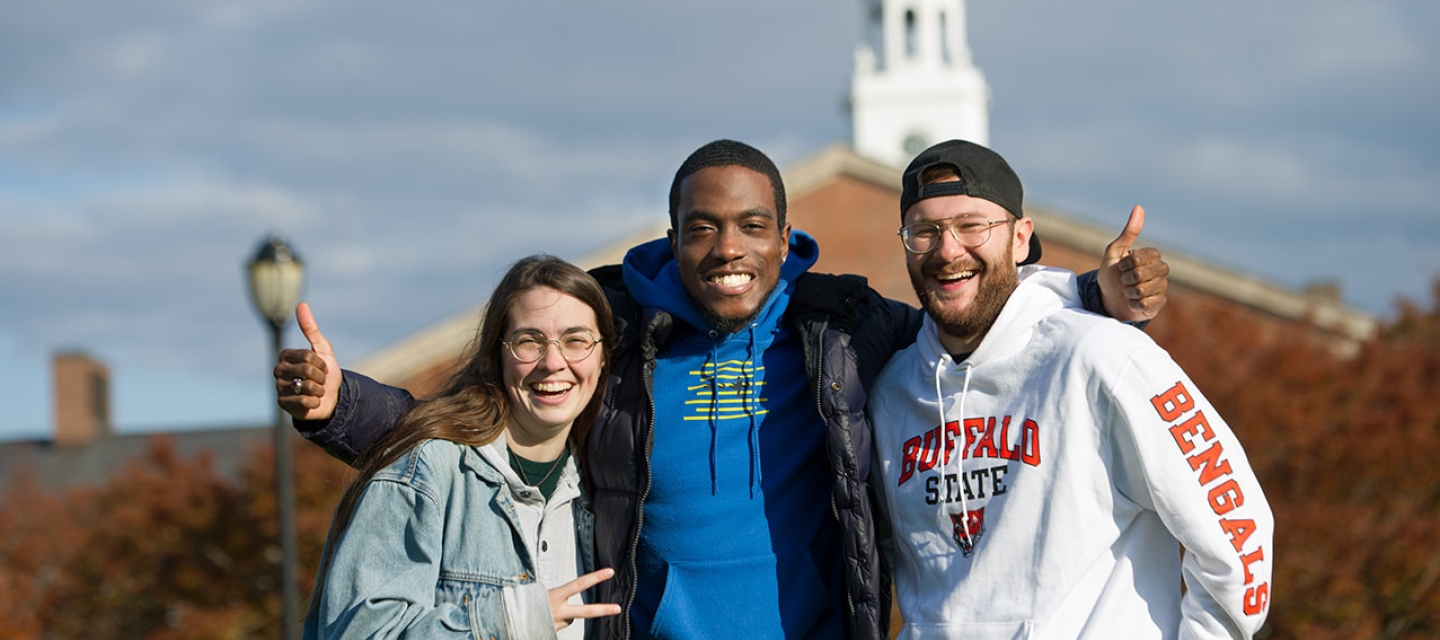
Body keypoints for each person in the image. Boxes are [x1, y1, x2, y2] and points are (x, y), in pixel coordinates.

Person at [277, 140, 1171, 640]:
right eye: (701, 227)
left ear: (786, 238)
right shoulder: (615, 326)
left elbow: (972, 327)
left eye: (751, 225)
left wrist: (1091, 296)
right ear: (672, 235)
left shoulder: (841, 326)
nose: (727, 247)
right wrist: (338, 404)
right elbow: (479, 414)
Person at [869, 140, 1273, 639]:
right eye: (925, 231)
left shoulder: (1103, 357)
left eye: (972, 225)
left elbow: (1238, 532)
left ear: (1020, 238)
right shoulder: (890, 393)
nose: (948, 249)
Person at [303, 255, 623, 640]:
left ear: (604, 357)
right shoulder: (427, 469)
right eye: (529, 341)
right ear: (497, 354)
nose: (553, 362)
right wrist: (506, 622)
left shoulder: (605, 489)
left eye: (576, 341)